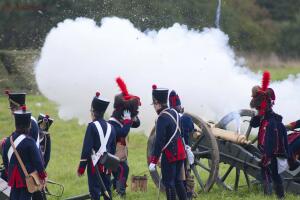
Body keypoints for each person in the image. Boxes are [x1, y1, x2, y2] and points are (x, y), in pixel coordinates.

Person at [249, 71, 289, 199]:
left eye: (258, 107)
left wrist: (267, 157)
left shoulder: (271, 122)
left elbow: (271, 142)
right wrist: (258, 116)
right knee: (270, 172)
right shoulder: (267, 118)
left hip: (272, 153)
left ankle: (276, 195)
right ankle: (273, 195)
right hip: (270, 151)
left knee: (273, 173)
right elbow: (254, 123)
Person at [149, 84, 187, 200]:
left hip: (170, 155)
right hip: (181, 153)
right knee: (178, 181)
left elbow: (159, 141)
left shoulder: (161, 118)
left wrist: (154, 160)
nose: (154, 107)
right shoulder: (175, 112)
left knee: (169, 184)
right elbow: (180, 133)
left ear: (157, 103)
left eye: (154, 104)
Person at [2, 106, 47, 200]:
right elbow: (38, 161)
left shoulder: (8, 141)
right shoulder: (29, 142)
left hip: (13, 178)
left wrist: (8, 172)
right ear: (28, 126)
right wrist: (42, 176)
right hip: (27, 179)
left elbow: (5, 159)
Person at [77, 92, 116, 200]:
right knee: (107, 191)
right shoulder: (111, 127)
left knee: (95, 192)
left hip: (94, 166)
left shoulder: (92, 126)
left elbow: (86, 149)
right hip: (107, 165)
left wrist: (81, 168)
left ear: (93, 111)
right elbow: (112, 149)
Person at [108, 77, 141, 198]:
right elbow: (122, 132)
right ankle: (120, 193)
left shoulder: (122, 120)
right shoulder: (112, 123)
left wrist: (133, 117)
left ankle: (114, 190)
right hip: (112, 155)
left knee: (120, 173)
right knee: (123, 170)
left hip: (121, 155)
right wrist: (127, 121)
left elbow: (137, 124)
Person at [169, 90, 195, 199]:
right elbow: (192, 129)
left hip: (173, 152)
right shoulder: (186, 118)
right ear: (180, 107)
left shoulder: (169, 118)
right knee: (187, 174)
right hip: (185, 150)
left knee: (176, 176)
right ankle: (188, 194)